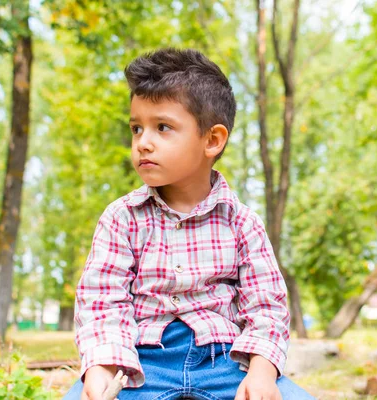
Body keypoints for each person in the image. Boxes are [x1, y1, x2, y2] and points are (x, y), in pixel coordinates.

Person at [63, 48, 315, 400]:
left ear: (212, 140)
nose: (143, 143)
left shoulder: (243, 223)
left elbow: (266, 307)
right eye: (137, 128)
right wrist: (101, 368)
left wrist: (261, 372)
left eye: (162, 127)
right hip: (139, 363)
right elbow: (103, 301)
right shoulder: (121, 218)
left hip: (226, 362)